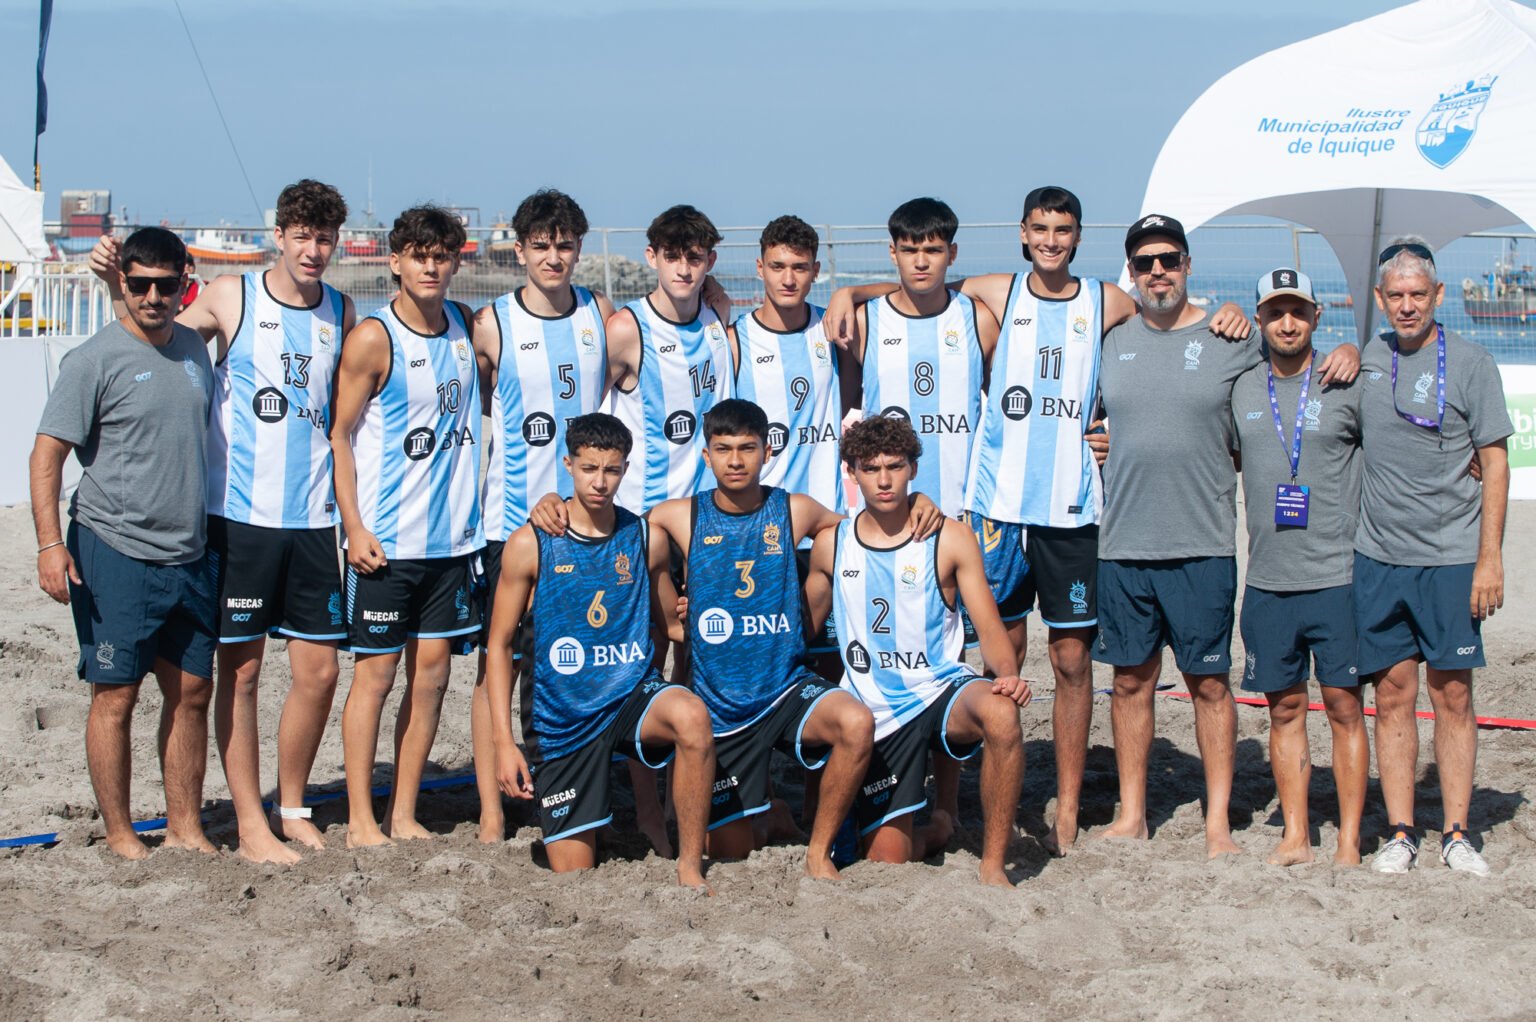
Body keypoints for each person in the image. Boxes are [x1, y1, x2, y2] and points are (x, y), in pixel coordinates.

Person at [90, 180, 355, 863]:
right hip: (237, 519)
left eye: (324, 238)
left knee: (321, 673)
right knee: (239, 674)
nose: (313, 250)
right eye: (301, 235)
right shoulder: (234, 297)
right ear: (279, 234)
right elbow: (157, 333)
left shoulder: (344, 311)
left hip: (313, 519)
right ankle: (250, 823)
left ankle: (290, 804)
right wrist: (114, 286)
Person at [1094, 215, 1361, 858]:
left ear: (1188, 266)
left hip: (1204, 543)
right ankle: (1132, 812)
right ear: (1130, 272)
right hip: (1123, 543)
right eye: (1145, 262)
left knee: (1209, 685)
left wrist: (1352, 350)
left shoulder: (1232, 339)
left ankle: (1217, 824)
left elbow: (1294, 366)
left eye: (1170, 259)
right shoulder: (1108, 340)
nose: (1158, 271)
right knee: (1129, 682)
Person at [30, 227, 217, 860]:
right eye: (139, 284)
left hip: (191, 554)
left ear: (184, 282)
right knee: (116, 694)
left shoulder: (195, 348)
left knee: (192, 692)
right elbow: (46, 455)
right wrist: (49, 544)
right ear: (125, 284)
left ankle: (187, 826)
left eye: (167, 285)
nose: (154, 296)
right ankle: (119, 834)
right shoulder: (92, 361)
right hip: (114, 548)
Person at [483, 413, 716, 890]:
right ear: (568, 464)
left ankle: (690, 863)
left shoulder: (646, 538)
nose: (600, 482)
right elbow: (499, 645)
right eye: (589, 469)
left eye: (611, 470)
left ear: (626, 469)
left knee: (692, 716)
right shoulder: (530, 544)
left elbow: (671, 624)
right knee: (574, 870)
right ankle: (588, 818)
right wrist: (504, 745)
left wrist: (702, 609)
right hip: (561, 717)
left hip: (631, 694)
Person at [647, 399, 879, 879]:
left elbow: (860, 531)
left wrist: (917, 505)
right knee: (733, 849)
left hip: (784, 687)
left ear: (767, 451)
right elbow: (627, 542)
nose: (736, 460)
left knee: (856, 723)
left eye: (747, 448)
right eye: (724, 449)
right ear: (705, 455)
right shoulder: (676, 516)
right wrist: (673, 616)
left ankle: (818, 852)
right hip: (720, 705)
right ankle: (767, 813)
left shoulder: (793, 509)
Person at [803, 415, 1031, 887]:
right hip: (873, 706)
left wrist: (1007, 673)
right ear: (852, 472)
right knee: (889, 860)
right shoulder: (831, 544)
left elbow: (989, 628)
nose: (884, 479)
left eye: (896, 466)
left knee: (1003, 714)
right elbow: (801, 626)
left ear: (913, 468)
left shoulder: (949, 537)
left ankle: (992, 866)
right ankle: (939, 827)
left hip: (939, 688)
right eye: (871, 468)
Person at [330, 205, 484, 847]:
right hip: (387, 544)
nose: (430, 265)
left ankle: (403, 812)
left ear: (455, 262)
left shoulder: (466, 325)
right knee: (375, 677)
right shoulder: (374, 337)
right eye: (417, 254)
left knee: (432, 682)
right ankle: (362, 818)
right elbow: (338, 435)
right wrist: (354, 526)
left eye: (441, 255)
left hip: (452, 543)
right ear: (395, 261)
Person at [1356, 237, 1511, 876]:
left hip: (1450, 559)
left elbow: (1495, 460)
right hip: (1379, 557)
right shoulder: (1364, 359)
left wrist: (1490, 559)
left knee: (1452, 694)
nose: (1408, 306)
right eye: (1396, 296)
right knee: (1392, 696)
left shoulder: (1472, 362)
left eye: (1419, 294)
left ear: (1439, 296)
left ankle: (1456, 832)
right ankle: (1399, 830)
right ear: (1380, 300)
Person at [469, 189, 614, 843]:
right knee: (497, 662)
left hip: (585, 528)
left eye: (565, 245)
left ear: (578, 249)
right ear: (520, 250)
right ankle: (493, 812)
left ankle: (571, 781)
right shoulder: (492, 324)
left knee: (577, 656)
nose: (554, 257)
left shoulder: (601, 315)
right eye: (542, 245)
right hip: (514, 526)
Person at [1230, 268, 1368, 866]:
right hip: (1267, 582)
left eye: (1298, 312)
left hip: (1337, 579)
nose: (1287, 323)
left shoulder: (1347, 383)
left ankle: (1349, 840)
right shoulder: (1239, 387)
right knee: (1284, 711)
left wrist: (1356, 349)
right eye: (1274, 312)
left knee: (1343, 708)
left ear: (1316, 317)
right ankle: (1295, 835)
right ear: (1260, 321)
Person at [732, 215, 853, 674]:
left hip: (827, 524)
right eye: (778, 265)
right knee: (760, 658)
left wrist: (852, 292)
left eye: (799, 267)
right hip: (763, 529)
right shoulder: (733, 339)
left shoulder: (835, 330)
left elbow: (903, 297)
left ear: (816, 270)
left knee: (828, 661)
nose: (788, 278)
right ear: (759, 267)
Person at [606, 204, 735, 514]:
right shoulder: (627, 329)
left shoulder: (718, 313)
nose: (683, 270)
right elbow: (585, 414)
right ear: (652, 257)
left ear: (710, 261)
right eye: (672, 257)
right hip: (645, 513)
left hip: (710, 512)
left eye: (693, 258)